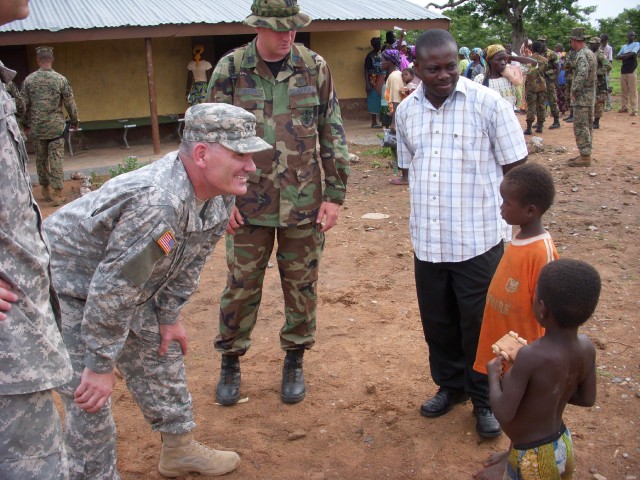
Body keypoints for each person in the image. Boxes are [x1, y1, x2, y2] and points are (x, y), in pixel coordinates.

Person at [42, 103, 272, 478]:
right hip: (64, 284)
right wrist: (100, 364)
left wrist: (168, 316)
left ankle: (179, 451)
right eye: (240, 154)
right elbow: (113, 287)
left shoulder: (221, 190)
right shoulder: (158, 202)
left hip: (116, 287)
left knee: (162, 353)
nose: (251, 165)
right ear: (201, 154)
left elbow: (190, 261)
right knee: (89, 396)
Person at [207, 0, 350, 406]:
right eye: (279, 29)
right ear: (258, 27)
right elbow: (209, 139)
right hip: (246, 201)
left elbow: (332, 130)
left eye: (293, 28)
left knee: (301, 286)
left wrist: (335, 196)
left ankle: (295, 359)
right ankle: (231, 360)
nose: (288, 36)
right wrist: (220, 203)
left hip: (303, 202)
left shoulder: (314, 66)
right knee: (240, 285)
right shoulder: (231, 69)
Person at [395, 29, 528, 439]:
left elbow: (517, 171)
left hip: (478, 240)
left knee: (481, 324)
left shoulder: (488, 105)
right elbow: (409, 167)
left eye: (450, 66)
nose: (443, 75)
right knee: (439, 322)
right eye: (432, 68)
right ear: (415, 68)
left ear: (459, 63)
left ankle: (485, 398)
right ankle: (450, 387)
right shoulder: (405, 112)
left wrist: (519, 228)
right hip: (429, 242)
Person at [0, 2, 73, 479]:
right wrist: (72, 118)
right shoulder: (56, 78)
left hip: (21, 325)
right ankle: (53, 189)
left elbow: (24, 111)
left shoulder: (20, 83)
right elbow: (71, 101)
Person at [472, 163, 558, 480]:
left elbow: (550, 312)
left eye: (506, 202)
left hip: (526, 352)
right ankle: (513, 451)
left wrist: (537, 355)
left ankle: (515, 463)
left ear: (530, 210)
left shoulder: (542, 251)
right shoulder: (520, 237)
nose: (501, 207)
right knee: (513, 407)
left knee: (523, 410)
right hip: (508, 347)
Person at [487, 258, 600, 479]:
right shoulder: (587, 347)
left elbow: (503, 412)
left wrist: (493, 376)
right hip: (562, 444)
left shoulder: (530, 356)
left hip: (533, 459)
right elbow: (587, 398)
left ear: (541, 309)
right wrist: (551, 389)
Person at [21, 46, 79, 206]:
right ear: (52, 60)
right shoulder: (60, 79)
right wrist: (74, 120)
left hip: (37, 128)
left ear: (38, 60)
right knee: (56, 160)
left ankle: (45, 189)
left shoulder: (29, 80)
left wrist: (24, 123)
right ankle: (57, 193)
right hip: (56, 128)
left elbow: (23, 105)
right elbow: (70, 103)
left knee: (40, 160)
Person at [567, 28, 596, 168]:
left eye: (571, 40)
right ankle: (585, 153)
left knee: (580, 125)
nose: (570, 43)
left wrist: (575, 90)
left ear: (575, 40)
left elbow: (582, 74)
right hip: (589, 96)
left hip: (582, 97)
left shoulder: (582, 55)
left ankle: (585, 156)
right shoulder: (590, 53)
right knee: (587, 125)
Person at [475, 44, 536, 110]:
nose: (503, 62)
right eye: (498, 59)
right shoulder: (480, 79)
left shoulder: (511, 75)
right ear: (489, 61)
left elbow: (534, 63)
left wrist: (511, 57)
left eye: (505, 59)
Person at [380, 49, 408, 185]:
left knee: (400, 146)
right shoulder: (395, 74)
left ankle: (405, 176)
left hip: (400, 115)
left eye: (383, 60)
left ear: (390, 62)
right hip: (399, 113)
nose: (381, 63)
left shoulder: (393, 76)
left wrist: (394, 122)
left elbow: (396, 100)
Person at [523, 41, 548, 135]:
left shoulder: (528, 59)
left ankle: (529, 128)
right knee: (541, 106)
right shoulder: (545, 60)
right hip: (542, 85)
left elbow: (526, 71)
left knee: (531, 106)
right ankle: (540, 127)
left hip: (531, 86)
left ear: (531, 49)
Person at [537, 35, 561, 129]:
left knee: (552, 100)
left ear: (545, 42)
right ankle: (540, 121)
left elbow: (557, 67)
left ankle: (556, 121)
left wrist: (555, 78)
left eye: (543, 41)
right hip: (539, 80)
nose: (541, 43)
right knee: (540, 101)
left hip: (549, 80)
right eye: (540, 41)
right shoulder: (536, 53)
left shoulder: (551, 53)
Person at [615, 31, 640, 116]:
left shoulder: (636, 44)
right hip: (624, 70)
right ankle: (624, 107)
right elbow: (617, 56)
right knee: (624, 90)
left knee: (633, 90)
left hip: (632, 69)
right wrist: (628, 55)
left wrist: (624, 56)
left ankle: (635, 109)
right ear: (627, 36)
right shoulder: (624, 46)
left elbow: (634, 54)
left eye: (633, 35)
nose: (632, 36)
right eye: (630, 35)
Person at [589, 37, 611, 130]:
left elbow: (608, 66)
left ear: (598, 44)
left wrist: (597, 72)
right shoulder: (590, 53)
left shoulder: (600, 54)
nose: (591, 45)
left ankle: (596, 121)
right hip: (591, 81)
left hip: (600, 82)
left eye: (593, 43)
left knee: (599, 101)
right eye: (590, 43)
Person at [364, 36, 385, 128]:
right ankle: (373, 122)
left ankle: (383, 120)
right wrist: (367, 84)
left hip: (382, 78)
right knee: (373, 99)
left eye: (380, 44)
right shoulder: (369, 56)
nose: (379, 46)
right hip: (373, 80)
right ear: (373, 45)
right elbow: (365, 70)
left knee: (383, 99)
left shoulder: (382, 55)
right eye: (377, 45)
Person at [599, 33, 613, 111]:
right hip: (600, 70)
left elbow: (610, 60)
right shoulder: (599, 48)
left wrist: (607, 71)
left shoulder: (609, 48)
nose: (602, 41)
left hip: (606, 70)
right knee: (600, 87)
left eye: (603, 40)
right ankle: (602, 105)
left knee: (607, 87)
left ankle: (608, 105)